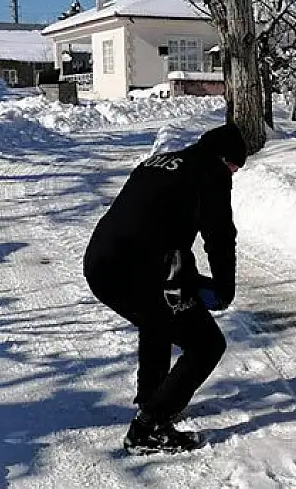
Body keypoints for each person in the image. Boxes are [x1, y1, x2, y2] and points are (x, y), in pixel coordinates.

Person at [83, 122, 247, 455]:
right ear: (225, 159)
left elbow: (156, 225)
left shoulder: (158, 162)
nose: (232, 173)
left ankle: (152, 398)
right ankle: (148, 429)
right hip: (137, 270)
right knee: (207, 344)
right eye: (234, 167)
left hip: (101, 265)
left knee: (157, 319)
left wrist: (184, 280)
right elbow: (219, 237)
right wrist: (224, 289)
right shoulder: (212, 173)